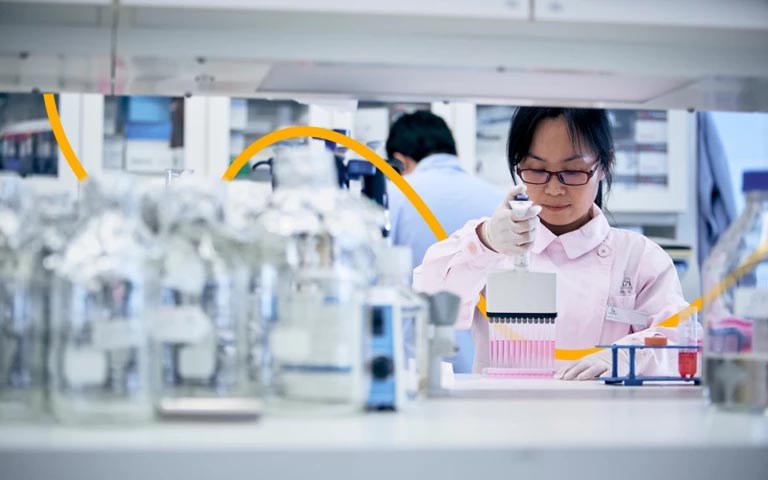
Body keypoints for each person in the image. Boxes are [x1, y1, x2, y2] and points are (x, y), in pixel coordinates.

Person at [413, 107, 689, 380]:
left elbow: (681, 343)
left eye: (572, 171)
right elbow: (425, 303)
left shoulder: (639, 258)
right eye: (537, 169)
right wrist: (485, 242)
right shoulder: (491, 243)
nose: (554, 189)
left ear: (603, 166)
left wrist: (626, 358)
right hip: (501, 417)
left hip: (604, 417)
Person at [386, 110, 504, 373]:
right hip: (485, 369)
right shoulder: (500, 201)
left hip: (413, 368)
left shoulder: (392, 195)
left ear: (398, 161)